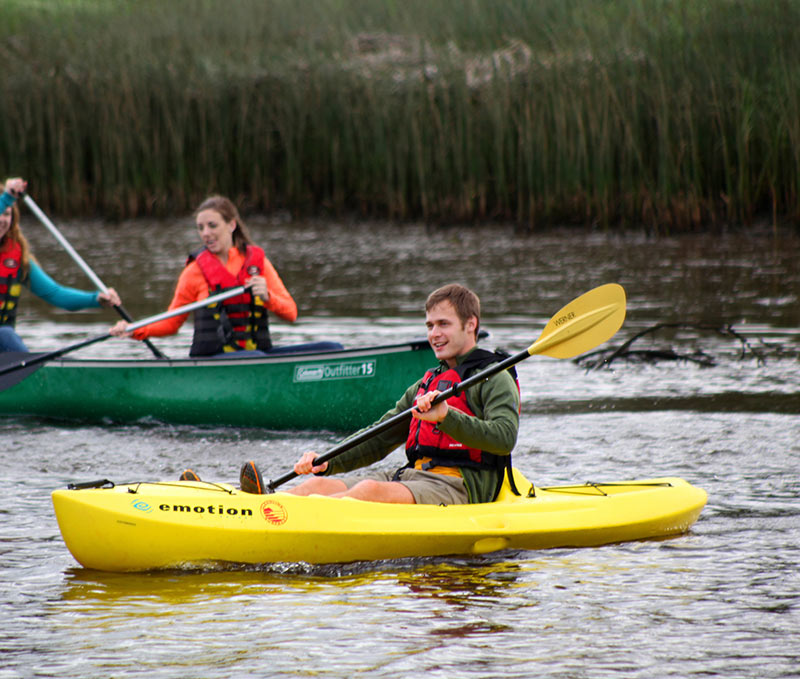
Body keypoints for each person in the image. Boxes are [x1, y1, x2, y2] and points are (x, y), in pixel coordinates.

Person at [233, 283, 520, 505]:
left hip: (462, 485)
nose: (434, 333)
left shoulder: (495, 377)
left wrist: (446, 417)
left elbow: (504, 439)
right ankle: (265, 507)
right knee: (315, 486)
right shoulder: (430, 381)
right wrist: (329, 461)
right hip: (415, 476)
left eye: (443, 324)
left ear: (470, 324)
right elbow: (379, 436)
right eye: (430, 325)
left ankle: (283, 518)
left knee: (367, 491)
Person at [110, 195, 321, 357]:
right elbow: (171, 323)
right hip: (215, 361)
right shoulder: (193, 272)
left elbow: (291, 313)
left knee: (330, 349)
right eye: (200, 228)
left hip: (258, 359)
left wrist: (268, 297)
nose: (205, 233)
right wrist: (135, 329)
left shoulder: (258, 265)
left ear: (231, 225)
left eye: (212, 225)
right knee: (253, 357)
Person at [0, 177, 122, 352]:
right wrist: (7, 198)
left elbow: (57, 295)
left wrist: (96, 299)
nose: (2, 219)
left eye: (7, 214)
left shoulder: (18, 260)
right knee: (5, 335)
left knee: (5, 334)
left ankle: (34, 373)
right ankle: (32, 372)